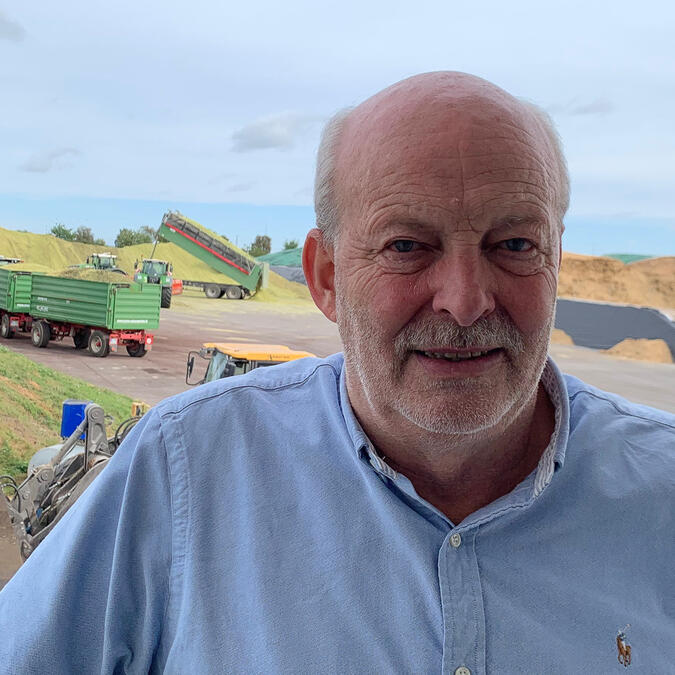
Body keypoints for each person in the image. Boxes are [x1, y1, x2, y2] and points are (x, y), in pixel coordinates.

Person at [1, 72, 673, 673]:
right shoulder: (183, 469)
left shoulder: (660, 493)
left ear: (556, 261)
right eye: (407, 245)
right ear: (326, 276)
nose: (465, 300)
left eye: (515, 244)